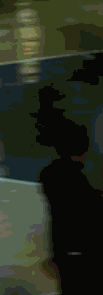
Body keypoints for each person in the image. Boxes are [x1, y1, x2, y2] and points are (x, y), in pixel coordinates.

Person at [34, 84, 103, 295]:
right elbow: (87, 208)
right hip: (81, 251)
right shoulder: (73, 178)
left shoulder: (52, 174)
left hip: (67, 249)